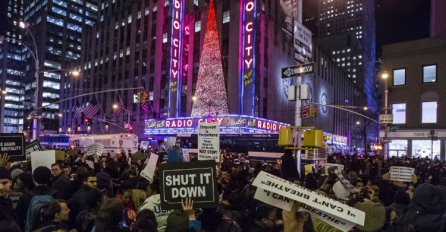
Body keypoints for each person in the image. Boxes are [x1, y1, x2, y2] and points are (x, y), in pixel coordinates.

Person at [16, 166, 54, 231]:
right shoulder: (57, 195)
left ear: (33, 179)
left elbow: (19, 217)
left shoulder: (25, 196)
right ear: (50, 178)